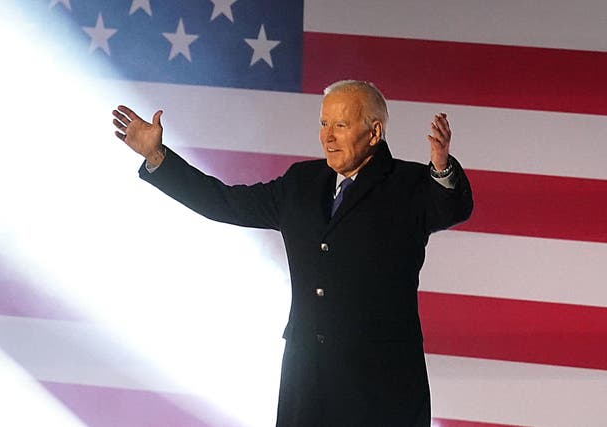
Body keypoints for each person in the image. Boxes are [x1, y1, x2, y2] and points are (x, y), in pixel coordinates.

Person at [112, 80, 473, 427]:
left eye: (341, 125)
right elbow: (223, 202)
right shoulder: (301, 183)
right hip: (307, 378)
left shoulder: (408, 184)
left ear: (374, 133)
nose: (327, 136)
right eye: (323, 123)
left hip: (381, 381)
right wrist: (158, 156)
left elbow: (451, 207)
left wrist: (441, 168)